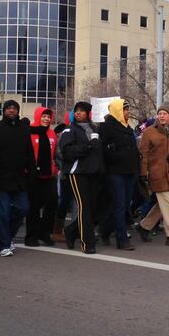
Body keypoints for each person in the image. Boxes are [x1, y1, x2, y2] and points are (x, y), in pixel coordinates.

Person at [135, 104, 169, 247]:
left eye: (164, 113)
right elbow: (143, 154)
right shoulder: (149, 132)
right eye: (159, 113)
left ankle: (143, 226)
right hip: (157, 174)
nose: (161, 116)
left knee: (163, 204)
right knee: (167, 202)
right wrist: (143, 173)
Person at [0, 100, 33, 256]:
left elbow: (30, 154)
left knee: (23, 208)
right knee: (2, 212)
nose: (12, 111)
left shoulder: (24, 130)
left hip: (19, 179)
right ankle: (3, 245)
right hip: (0, 179)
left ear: (18, 111)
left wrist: (32, 174)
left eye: (15, 108)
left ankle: (8, 236)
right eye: (9, 108)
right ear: (4, 110)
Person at [59, 101, 104, 254]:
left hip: (94, 173)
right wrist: (88, 146)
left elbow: (98, 153)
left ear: (88, 114)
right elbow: (67, 151)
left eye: (82, 111)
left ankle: (71, 231)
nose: (78, 113)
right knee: (84, 207)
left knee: (92, 208)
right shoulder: (69, 130)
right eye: (76, 111)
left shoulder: (94, 129)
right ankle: (87, 243)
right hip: (77, 173)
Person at [98, 99, 140, 250]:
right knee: (120, 204)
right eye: (125, 109)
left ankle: (104, 230)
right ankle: (122, 240)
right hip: (115, 172)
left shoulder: (128, 128)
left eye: (128, 109)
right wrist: (116, 156)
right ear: (117, 111)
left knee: (123, 204)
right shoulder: (106, 127)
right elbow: (102, 149)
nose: (128, 112)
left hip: (129, 171)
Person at [25, 106, 59, 247]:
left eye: (48, 117)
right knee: (33, 207)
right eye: (44, 116)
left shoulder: (52, 133)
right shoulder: (29, 131)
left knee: (52, 203)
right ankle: (31, 236)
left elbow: (56, 153)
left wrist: (55, 168)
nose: (46, 119)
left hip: (49, 175)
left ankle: (45, 233)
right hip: (32, 175)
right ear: (38, 116)